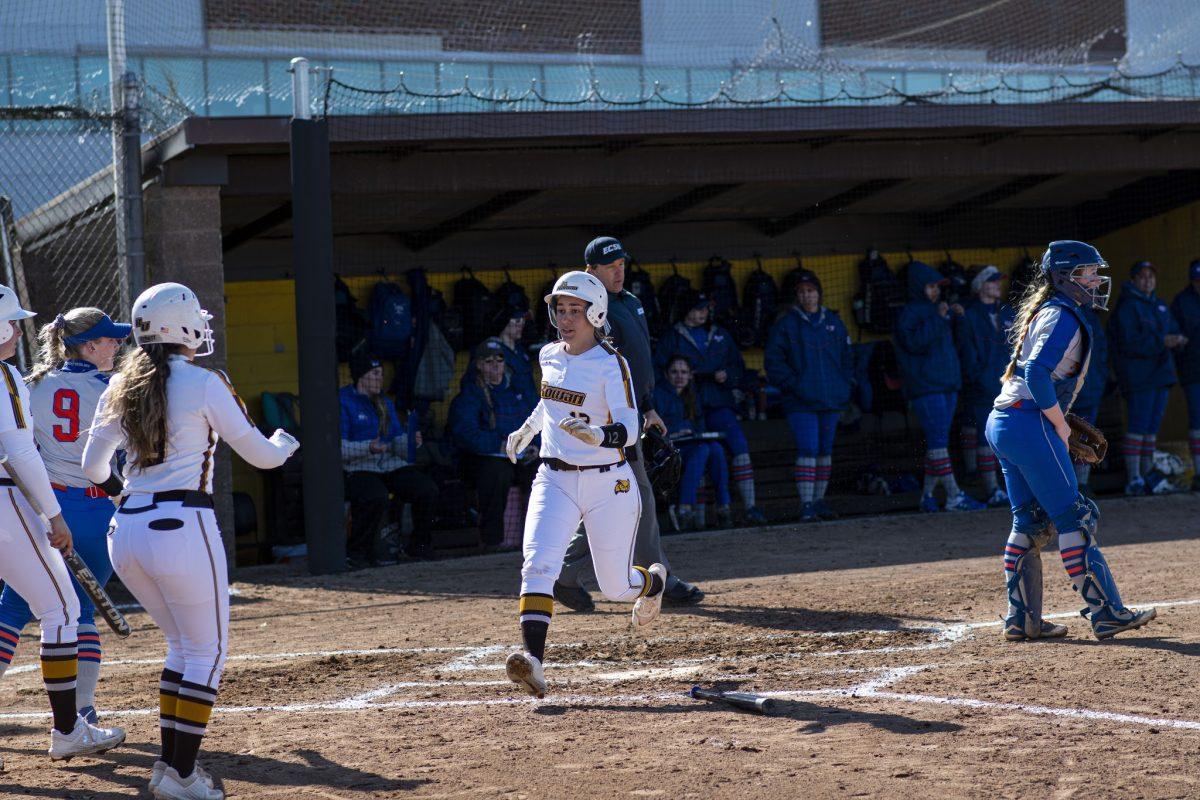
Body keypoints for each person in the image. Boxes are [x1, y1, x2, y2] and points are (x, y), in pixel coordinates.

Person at [81, 282, 300, 798]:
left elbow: (92, 467)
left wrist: (126, 498)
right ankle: (180, 775)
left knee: (183, 648)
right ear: (180, 327)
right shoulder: (204, 382)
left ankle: (169, 768)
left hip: (127, 528)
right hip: (183, 525)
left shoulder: (120, 383)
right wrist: (286, 443)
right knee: (206, 651)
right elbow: (262, 457)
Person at [502, 271, 667, 698]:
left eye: (576, 309)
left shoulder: (612, 363)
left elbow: (631, 429)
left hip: (608, 483)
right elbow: (549, 400)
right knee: (538, 565)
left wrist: (599, 435)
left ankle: (654, 583)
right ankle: (533, 662)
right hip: (553, 476)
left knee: (615, 586)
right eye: (561, 308)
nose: (567, 317)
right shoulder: (549, 354)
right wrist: (527, 429)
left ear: (595, 313)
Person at [987, 240, 1155, 642]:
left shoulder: (1052, 310)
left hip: (1004, 422)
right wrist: (1060, 426)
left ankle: (1022, 619)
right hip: (1029, 425)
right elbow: (1037, 375)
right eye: (1087, 274)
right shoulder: (1062, 316)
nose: (1096, 280)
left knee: (1030, 520)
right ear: (1064, 277)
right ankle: (1107, 613)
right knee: (1075, 517)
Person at [0, 288, 126, 766]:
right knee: (78, 613)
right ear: (86, 346)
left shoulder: (31, 382)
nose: (115, 347)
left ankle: (77, 717)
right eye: (106, 341)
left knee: (12, 609)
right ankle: (80, 713)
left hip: (36, 505)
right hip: (91, 509)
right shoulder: (112, 388)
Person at [554, 236, 704, 611]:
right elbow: (588, 370)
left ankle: (571, 575)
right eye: (610, 266)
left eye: (622, 263)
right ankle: (649, 577)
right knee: (628, 499)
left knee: (628, 499)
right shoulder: (588, 310)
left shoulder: (631, 303)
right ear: (591, 271)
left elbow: (637, 364)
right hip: (606, 424)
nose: (619, 271)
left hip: (631, 416)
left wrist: (648, 407)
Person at [655, 290, 765, 524]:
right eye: (697, 309)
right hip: (684, 408)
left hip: (717, 405)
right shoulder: (672, 337)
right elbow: (658, 376)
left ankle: (750, 507)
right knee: (703, 451)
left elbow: (739, 369)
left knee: (739, 448)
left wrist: (729, 376)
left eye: (705, 309)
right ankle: (697, 517)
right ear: (687, 310)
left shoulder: (720, 335)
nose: (702, 313)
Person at [893, 260, 985, 512]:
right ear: (918, 286)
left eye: (936, 287)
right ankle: (954, 495)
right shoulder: (909, 313)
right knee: (937, 442)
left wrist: (954, 316)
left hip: (947, 384)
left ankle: (927, 497)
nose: (934, 291)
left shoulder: (938, 310)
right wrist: (939, 317)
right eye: (930, 286)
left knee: (938, 443)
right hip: (926, 386)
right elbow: (915, 343)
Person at [764, 269, 853, 522]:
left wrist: (844, 386)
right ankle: (806, 505)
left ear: (819, 293)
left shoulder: (834, 322)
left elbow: (848, 358)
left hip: (831, 400)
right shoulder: (786, 324)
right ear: (796, 296)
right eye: (802, 292)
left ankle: (819, 501)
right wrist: (794, 385)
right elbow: (773, 362)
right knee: (808, 449)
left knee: (825, 451)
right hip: (800, 402)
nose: (807, 295)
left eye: (811, 290)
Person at [340, 343, 439, 564]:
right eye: (375, 374)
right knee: (375, 496)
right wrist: (368, 447)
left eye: (381, 374)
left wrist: (411, 443)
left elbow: (396, 443)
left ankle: (419, 546)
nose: (380, 379)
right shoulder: (343, 401)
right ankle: (357, 552)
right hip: (357, 467)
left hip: (388, 465)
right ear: (361, 376)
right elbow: (339, 448)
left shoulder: (384, 402)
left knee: (427, 490)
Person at [447, 337, 537, 551]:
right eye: (488, 361)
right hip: (480, 460)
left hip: (520, 456)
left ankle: (539, 539)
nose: (495, 366)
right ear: (478, 365)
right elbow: (466, 435)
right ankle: (492, 541)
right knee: (497, 473)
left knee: (544, 470)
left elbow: (536, 421)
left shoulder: (517, 391)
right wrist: (499, 445)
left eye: (499, 360)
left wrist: (536, 445)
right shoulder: (469, 394)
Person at [1108, 260, 1186, 495]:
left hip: (1161, 375)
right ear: (1133, 280)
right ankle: (1134, 479)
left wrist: (1178, 340)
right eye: (1142, 277)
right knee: (1137, 427)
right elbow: (1128, 343)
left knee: (1151, 430)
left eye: (1151, 276)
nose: (1148, 280)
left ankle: (1146, 477)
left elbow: (1173, 329)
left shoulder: (1160, 305)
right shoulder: (1127, 307)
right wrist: (1161, 342)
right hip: (1139, 377)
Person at [957, 266, 1016, 507]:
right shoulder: (968, 316)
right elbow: (967, 356)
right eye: (991, 281)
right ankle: (992, 489)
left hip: (1009, 387)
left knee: (1008, 439)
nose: (997, 285)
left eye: (998, 280)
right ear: (980, 286)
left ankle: (1010, 488)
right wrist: (980, 379)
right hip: (982, 390)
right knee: (986, 440)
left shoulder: (1008, 312)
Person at [653, 355, 732, 530]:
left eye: (683, 372)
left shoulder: (693, 395)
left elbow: (700, 425)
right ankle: (685, 509)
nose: (679, 376)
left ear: (690, 375)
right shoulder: (657, 394)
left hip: (692, 444)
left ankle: (723, 507)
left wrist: (693, 433)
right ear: (666, 374)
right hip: (668, 451)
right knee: (703, 450)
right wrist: (675, 432)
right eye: (674, 372)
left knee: (716, 449)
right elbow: (653, 431)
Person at [1070, 300, 1109, 493]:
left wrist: (1100, 380)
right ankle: (1064, 487)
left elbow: (1102, 352)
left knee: (1087, 440)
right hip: (1063, 392)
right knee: (1057, 441)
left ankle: (1082, 485)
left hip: (1089, 387)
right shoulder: (1057, 310)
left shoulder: (1091, 316)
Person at [1172, 260, 1200, 491]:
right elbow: (1175, 337)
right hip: (1193, 372)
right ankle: (1199, 473)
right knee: (1197, 422)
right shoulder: (1181, 302)